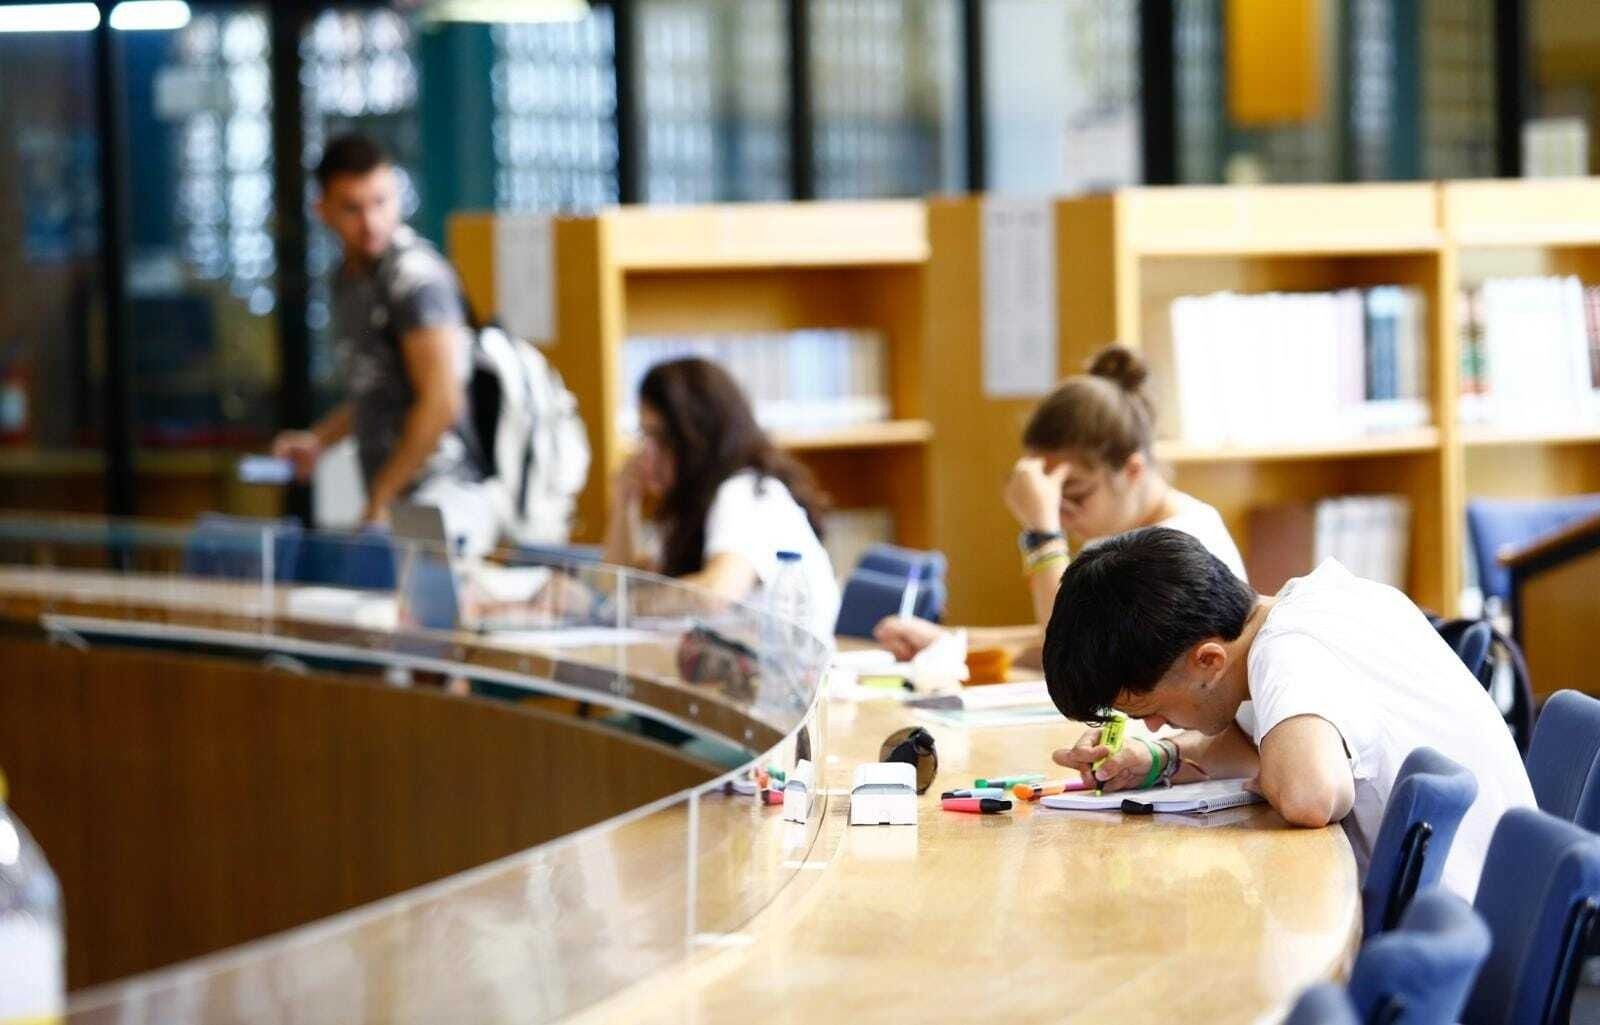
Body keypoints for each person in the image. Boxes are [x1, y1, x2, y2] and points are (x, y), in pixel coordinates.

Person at [1045, 526, 1533, 899]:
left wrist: (1281, 771)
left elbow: (1310, 795)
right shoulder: (1321, 597)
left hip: (1451, 936)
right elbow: (1259, 743)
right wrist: (1162, 758)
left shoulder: (1285, 651)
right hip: (1495, 905)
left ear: (1209, 661)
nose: (1151, 725)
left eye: (1151, 710)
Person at [873, 345, 1244, 660]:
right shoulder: (1118, 535)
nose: (1061, 515)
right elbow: (1069, 634)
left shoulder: (1181, 543)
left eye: (1075, 495)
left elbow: (1070, 651)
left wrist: (1042, 534)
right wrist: (948, 643)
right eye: (1050, 496)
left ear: (1133, 470)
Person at [270, 133, 497, 556]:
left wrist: (382, 497)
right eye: (353, 208)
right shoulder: (348, 280)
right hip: (398, 499)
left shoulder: (416, 279)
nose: (371, 221)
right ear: (322, 210)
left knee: (425, 617)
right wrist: (319, 440)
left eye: (381, 201)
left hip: (445, 496)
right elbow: (379, 392)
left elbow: (442, 400)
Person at [604, 358, 840, 639]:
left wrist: (614, 607)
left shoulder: (745, 493)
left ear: (699, 436)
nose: (645, 452)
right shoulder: (689, 507)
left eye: (661, 437)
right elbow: (618, 584)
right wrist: (625, 503)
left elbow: (714, 594)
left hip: (784, 675)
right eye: (643, 434)